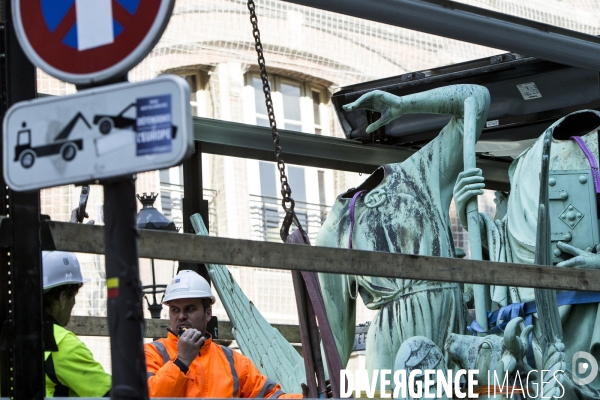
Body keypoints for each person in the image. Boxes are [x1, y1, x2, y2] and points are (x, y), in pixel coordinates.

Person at [145, 270, 303, 398]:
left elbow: (269, 396)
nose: (181, 316)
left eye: (190, 309)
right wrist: (182, 361)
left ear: (208, 313)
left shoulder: (233, 362)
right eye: (175, 310)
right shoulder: (151, 354)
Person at [43, 250, 111, 397]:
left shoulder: (10, 334)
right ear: (62, 298)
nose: (74, 302)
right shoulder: (61, 344)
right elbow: (110, 395)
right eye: (73, 296)